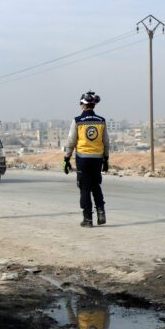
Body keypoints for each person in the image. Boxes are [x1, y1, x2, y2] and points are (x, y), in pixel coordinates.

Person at [63, 91, 110, 227]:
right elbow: (106, 142)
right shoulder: (101, 121)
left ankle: (88, 219)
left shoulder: (77, 121)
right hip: (97, 159)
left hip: (83, 159)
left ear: (82, 105)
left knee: (84, 187)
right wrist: (106, 160)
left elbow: (71, 142)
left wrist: (66, 159)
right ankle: (101, 213)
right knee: (95, 185)